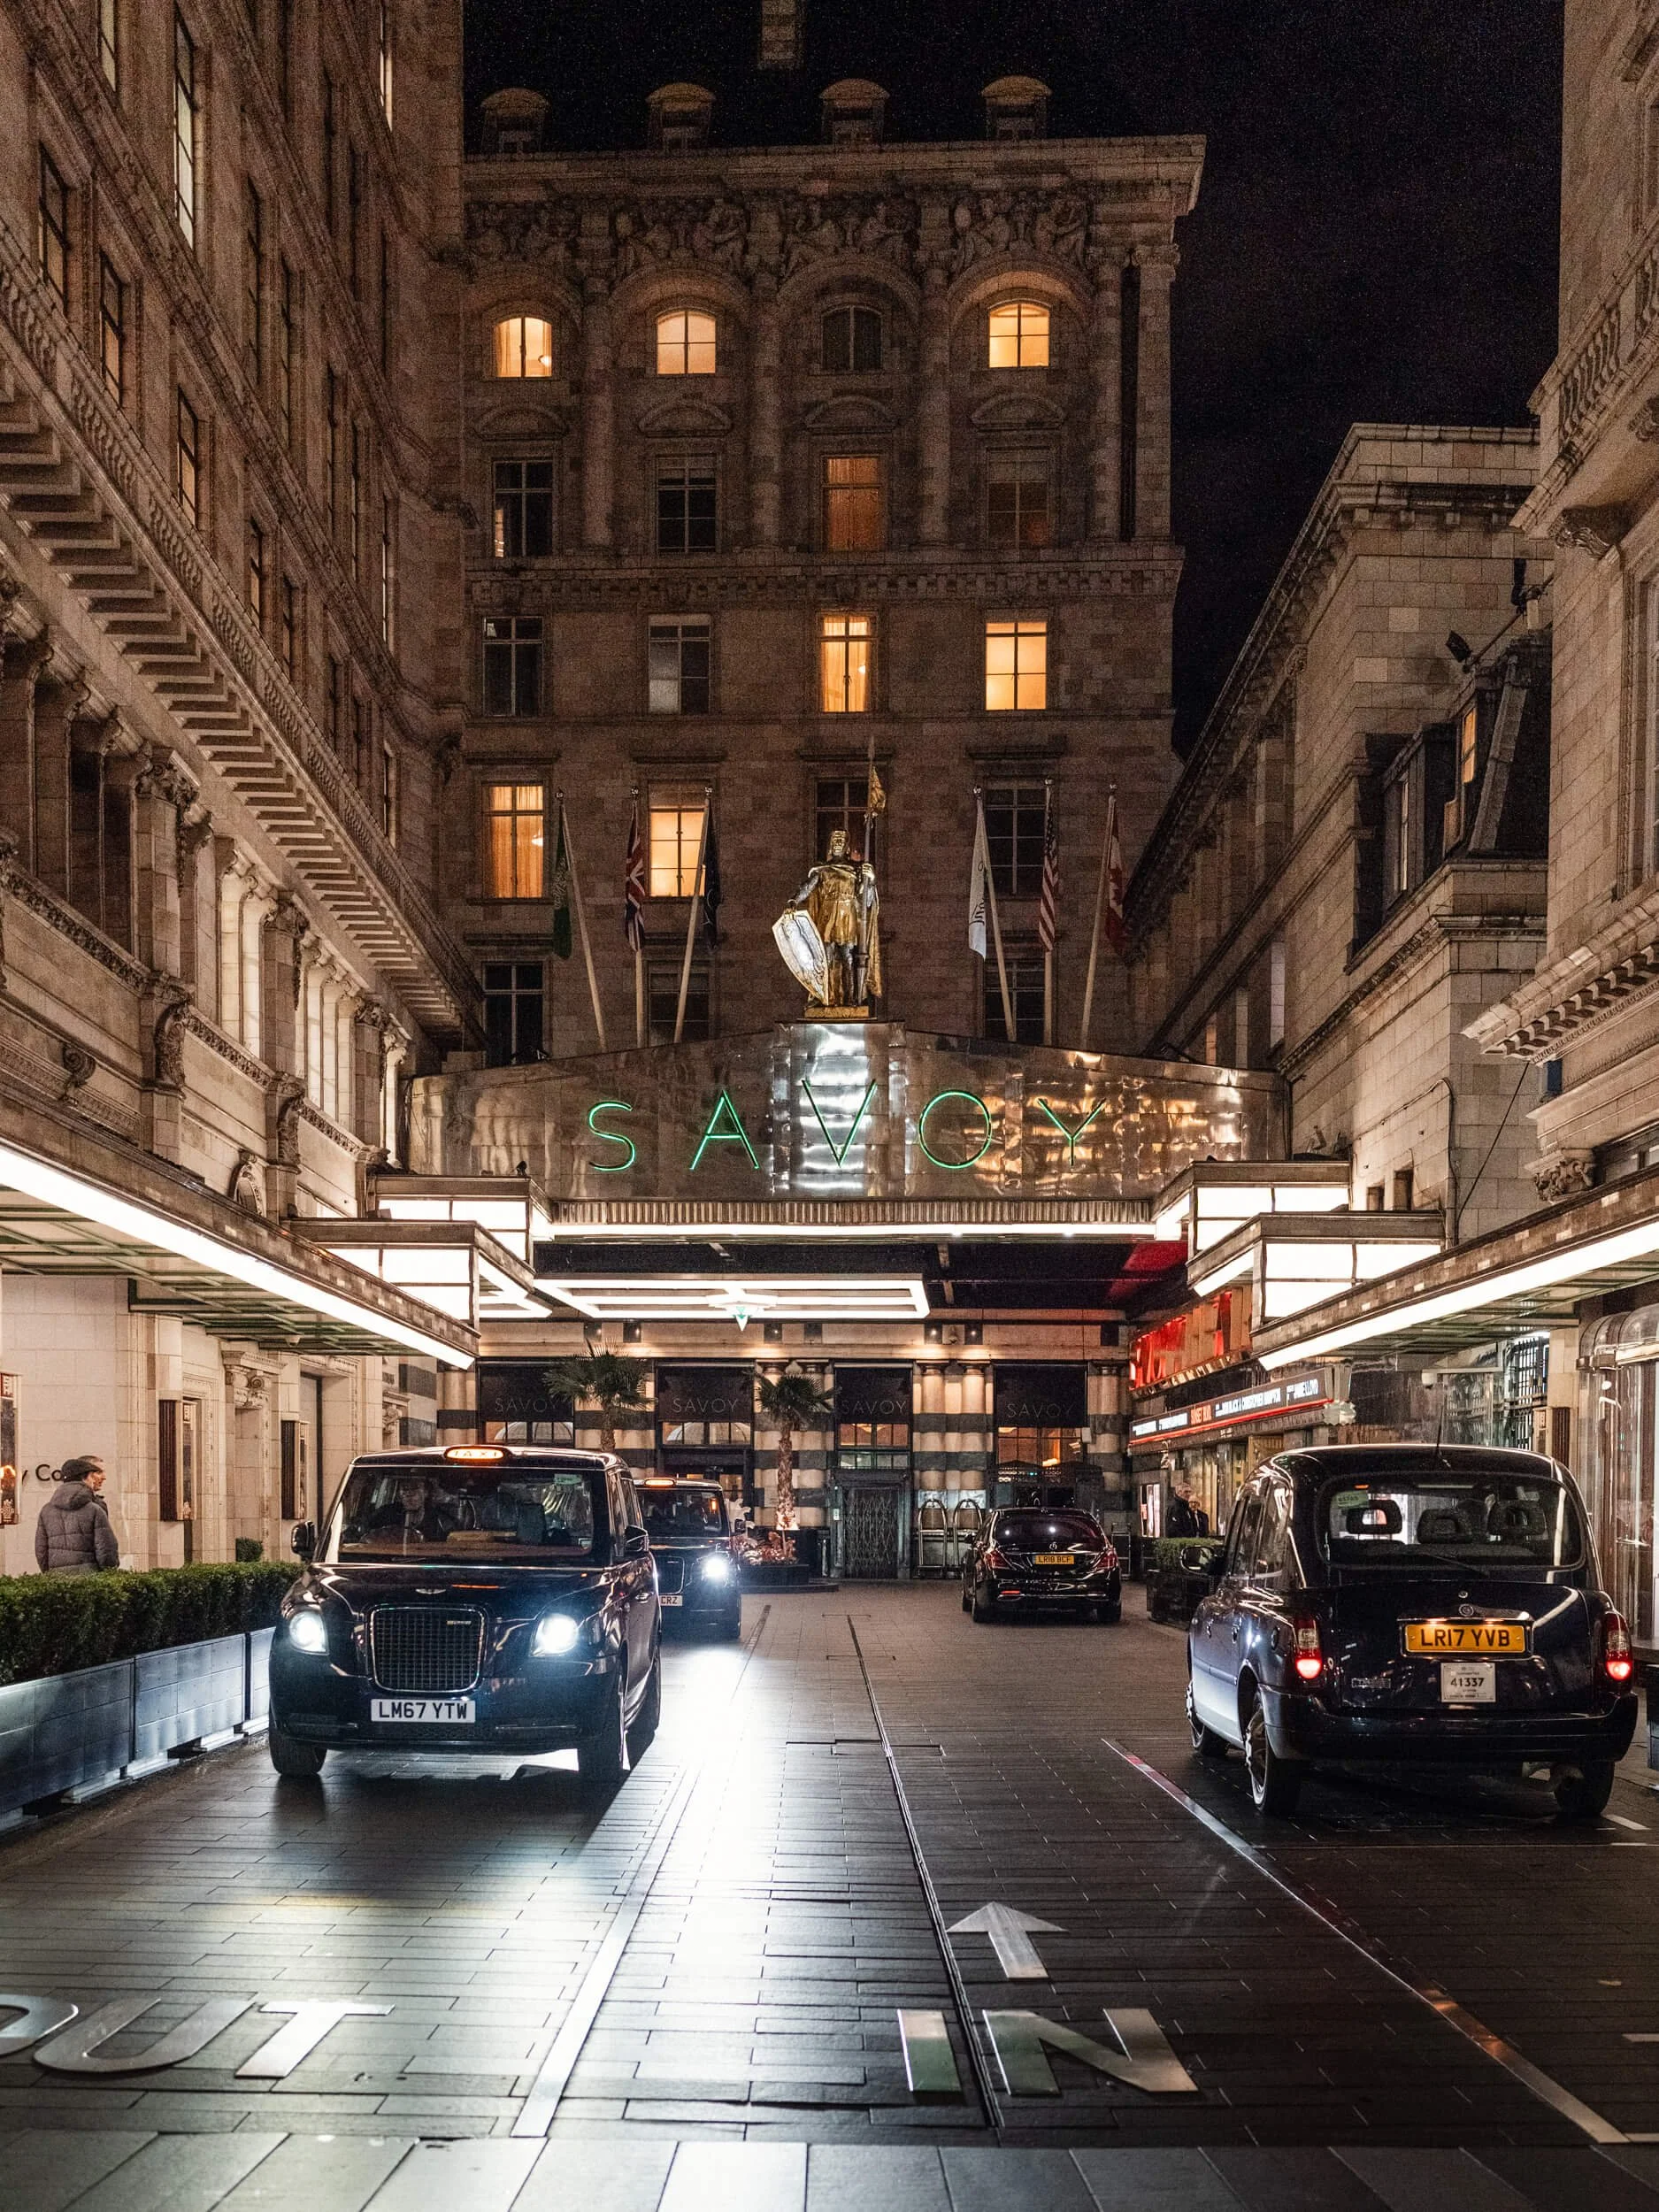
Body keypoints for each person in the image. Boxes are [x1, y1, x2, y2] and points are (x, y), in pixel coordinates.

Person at [35, 1455, 119, 1574]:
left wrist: (50, 1575)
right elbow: (106, 1550)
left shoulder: (46, 1510)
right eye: (92, 1475)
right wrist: (109, 1573)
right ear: (85, 1478)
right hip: (91, 1581)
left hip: (57, 1581)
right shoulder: (94, 1509)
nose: (96, 1479)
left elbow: (41, 1551)